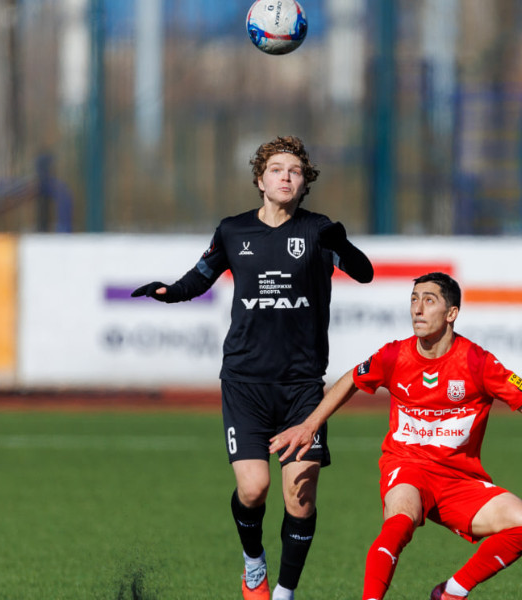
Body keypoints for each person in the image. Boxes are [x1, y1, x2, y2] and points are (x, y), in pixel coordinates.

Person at [131, 135, 374, 600]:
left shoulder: (318, 230)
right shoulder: (233, 231)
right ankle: (253, 563)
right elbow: (199, 278)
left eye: (295, 171)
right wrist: (168, 292)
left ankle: (283, 593)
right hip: (245, 382)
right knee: (254, 489)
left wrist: (341, 242)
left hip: (302, 387)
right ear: (260, 180)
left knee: (300, 497)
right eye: (277, 169)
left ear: (305, 183)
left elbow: (364, 273)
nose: (286, 176)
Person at [269, 272, 522, 600]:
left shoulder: (476, 362)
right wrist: (310, 425)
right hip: (407, 467)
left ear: (451, 313)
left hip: (457, 479)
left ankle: (451, 592)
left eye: (429, 300)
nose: (417, 308)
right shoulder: (394, 355)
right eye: (414, 299)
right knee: (401, 521)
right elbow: (350, 380)